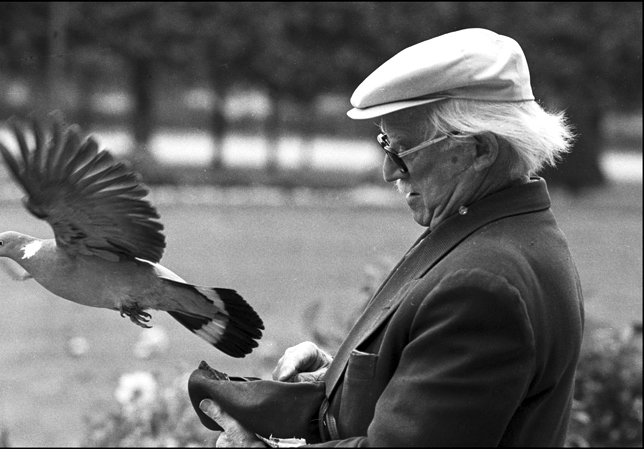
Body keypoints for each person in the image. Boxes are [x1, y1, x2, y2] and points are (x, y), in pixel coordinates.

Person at [199, 28, 585, 447]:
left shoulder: (483, 283)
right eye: (385, 144)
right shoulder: (499, 232)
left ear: (479, 150)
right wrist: (346, 384)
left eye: (401, 149)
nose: (389, 170)